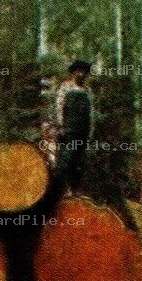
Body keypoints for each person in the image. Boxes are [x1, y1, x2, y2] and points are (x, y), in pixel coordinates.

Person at [53, 60, 94, 194]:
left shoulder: (87, 90)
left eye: (84, 72)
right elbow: (59, 107)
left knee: (80, 161)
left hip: (83, 129)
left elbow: (91, 112)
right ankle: (60, 190)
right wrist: (61, 126)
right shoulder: (65, 87)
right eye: (78, 71)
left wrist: (91, 130)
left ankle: (75, 190)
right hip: (69, 128)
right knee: (67, 159)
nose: (81, 74)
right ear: (73, 72)